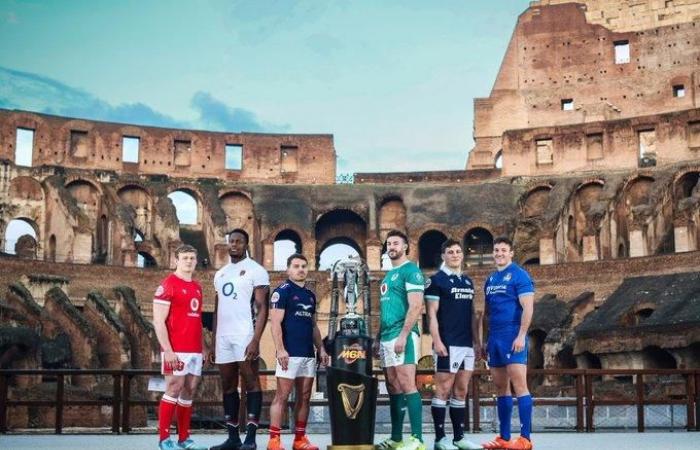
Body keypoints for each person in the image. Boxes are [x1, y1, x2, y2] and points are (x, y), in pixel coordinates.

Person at [211, 229, 270, 450]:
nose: (234, 244)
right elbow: (217, 310)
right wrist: (214, 340)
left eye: (238, 241)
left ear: (246, 244)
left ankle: (251, 437)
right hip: (224, 337)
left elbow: (263, 306)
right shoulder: (221, 273)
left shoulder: (257, 271)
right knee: (227, 386)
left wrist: (256, 339)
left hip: (245, 334)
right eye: (231, 241)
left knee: (251, 381)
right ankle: (233, 437)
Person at [266, 254, 329, 450]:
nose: (300, 269)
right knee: (282, 396)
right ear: (288, 269)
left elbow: (313, 326)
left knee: (304, 396)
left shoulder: (310, 295)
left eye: (303, 266)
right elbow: (275, 323)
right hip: (289, 353)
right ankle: (274, 440)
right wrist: (280, 350)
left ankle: (299, 439)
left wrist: (321, 348)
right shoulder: (282, 291)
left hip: (307, 354)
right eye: (296, 266)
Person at [425, 240, 482, 450]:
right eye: (450, 252)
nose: (455, 255)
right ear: (443, 256)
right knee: (443, 390)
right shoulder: (436, 281)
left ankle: (459, 438)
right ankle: (440, 439)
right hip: (447, 343)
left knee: (461, 390)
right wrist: (437, 340)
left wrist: (477, 342)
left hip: (467, 344)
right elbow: (431, 314)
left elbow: (472, 315)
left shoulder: (468, 282)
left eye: (458, 251)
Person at [152, 244, 208, 450]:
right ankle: (164, 439)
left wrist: (202, 347)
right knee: (173, 389)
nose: (189, 262)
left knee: (189, 391)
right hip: (175, 349)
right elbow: (158, 322)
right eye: (185, 258)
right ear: (176, 260)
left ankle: (184, 439)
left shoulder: (197, 287)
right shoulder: (168, 285)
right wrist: (167, 350)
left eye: (192, 258)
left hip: (194, 349)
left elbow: (198, 320)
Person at [481, 237, 535, 450]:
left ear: (511, 253)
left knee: (520, 386)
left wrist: (521, 335)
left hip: (513, 336)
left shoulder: (520, 275)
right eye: (496, 250)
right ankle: (504, 438)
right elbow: (487, 313)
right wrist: (486, 340)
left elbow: (528, 308)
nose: (500, 253)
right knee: (501, 387)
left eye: (504, 250)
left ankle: (525, 439)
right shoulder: (491, 280)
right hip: (495, 339)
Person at [375, 230, 425, 450]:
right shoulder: (387, 276)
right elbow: (385, 311)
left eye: (396, 243)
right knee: (393, 386)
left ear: (405, 247)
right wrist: (378, 338)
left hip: (402, 335)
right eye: (388, 243)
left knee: (406, 383)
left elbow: (416, 306)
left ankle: (417, 439)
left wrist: (404, 335)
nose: (391, 246)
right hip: (386, 336)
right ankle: (396, 438)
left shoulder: (411, 271)